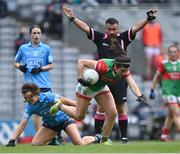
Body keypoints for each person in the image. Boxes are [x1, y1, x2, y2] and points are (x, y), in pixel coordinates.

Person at [63, 4, 157, 143]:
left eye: (114, 29)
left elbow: (136, 28)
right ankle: (97, 135)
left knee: (118, 109)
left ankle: (121, 137)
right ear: (105, 28)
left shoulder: (123, 38)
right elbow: (86, 28)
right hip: (101, 75)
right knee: (96, 110)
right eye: (109, 29)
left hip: (118, 77)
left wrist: (147, 19)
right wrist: (73, 18)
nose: (112, 32)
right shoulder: (101, 40)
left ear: (117, 29)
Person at [50, 55, 148, 145]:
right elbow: (81, 62)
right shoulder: (103, 65)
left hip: (100, 88)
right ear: (116, 66)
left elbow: (132, 83)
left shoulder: (124, 70)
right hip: (87, 88)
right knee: (79, 117)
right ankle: (59, 105)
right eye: (122, 71)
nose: (124, 73)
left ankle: (103, 139)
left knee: (112, 113)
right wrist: (80, 79)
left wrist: (139, 96)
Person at [6, 83, 102, 146]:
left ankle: (96, 138)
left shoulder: (47, 96)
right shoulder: (29, 108)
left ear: (36, 93)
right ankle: (54, 139)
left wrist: (80, 106)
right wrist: (12, 140)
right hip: (50, 125)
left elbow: (65, 101)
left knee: (79, 144)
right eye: (26, 98)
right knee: (35, 144)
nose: (29, 100)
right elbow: (22, 124)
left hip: (64, 120)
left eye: (30, 96)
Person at [14, 25, 61, 145]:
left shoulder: (46, 48)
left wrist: (41, 68)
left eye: (38, 33)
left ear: (41, 34)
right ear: (30, 35)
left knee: (52, 110)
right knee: (36, 114)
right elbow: (16, 62)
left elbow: (51, 65)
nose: (36, 35)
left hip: (44, 84)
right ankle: (43, 139)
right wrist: (21, 67)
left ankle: (55, 136)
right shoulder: (23, 48)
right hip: (31, 86)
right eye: (34, 33)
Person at [149, 45, 180, 141]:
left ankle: (164, 136)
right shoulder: (164, 64)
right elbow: (157, 77)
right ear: (168, 53)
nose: (173, 53)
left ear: (178, 53)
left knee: (171, 115)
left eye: (175, 52)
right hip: (168, 92)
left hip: (178, 93)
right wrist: (152, 89)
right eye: (171, 52)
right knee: (177, 114)